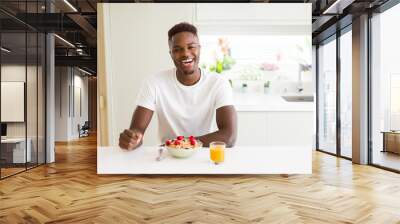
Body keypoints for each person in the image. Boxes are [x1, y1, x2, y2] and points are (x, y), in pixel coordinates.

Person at [118, 22, 237, 150]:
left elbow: (229, 136)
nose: (185, 53)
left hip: (203, 154)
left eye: (191, 47)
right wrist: (133, 138)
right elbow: (137, 129)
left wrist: (180, 144)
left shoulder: (218, 83)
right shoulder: (154, 83)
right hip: (167, 156)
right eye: (177, 49)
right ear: (171, 54)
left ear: (199, 49)